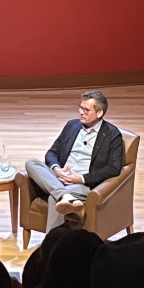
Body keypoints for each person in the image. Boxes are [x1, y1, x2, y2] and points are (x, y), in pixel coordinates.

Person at [25, 90, 123, 230]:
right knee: (31, 162)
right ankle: (64, 195)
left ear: (99, 113)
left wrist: (81, 178)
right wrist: (57, 169)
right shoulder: (72, 125)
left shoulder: (112, 134)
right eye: (80, 108)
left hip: (83, 184)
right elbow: (52, 153)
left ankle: (53, 245)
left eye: (86, 110)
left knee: (55, 198)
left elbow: (114, 168)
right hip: (58, 177)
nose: (81, 112)